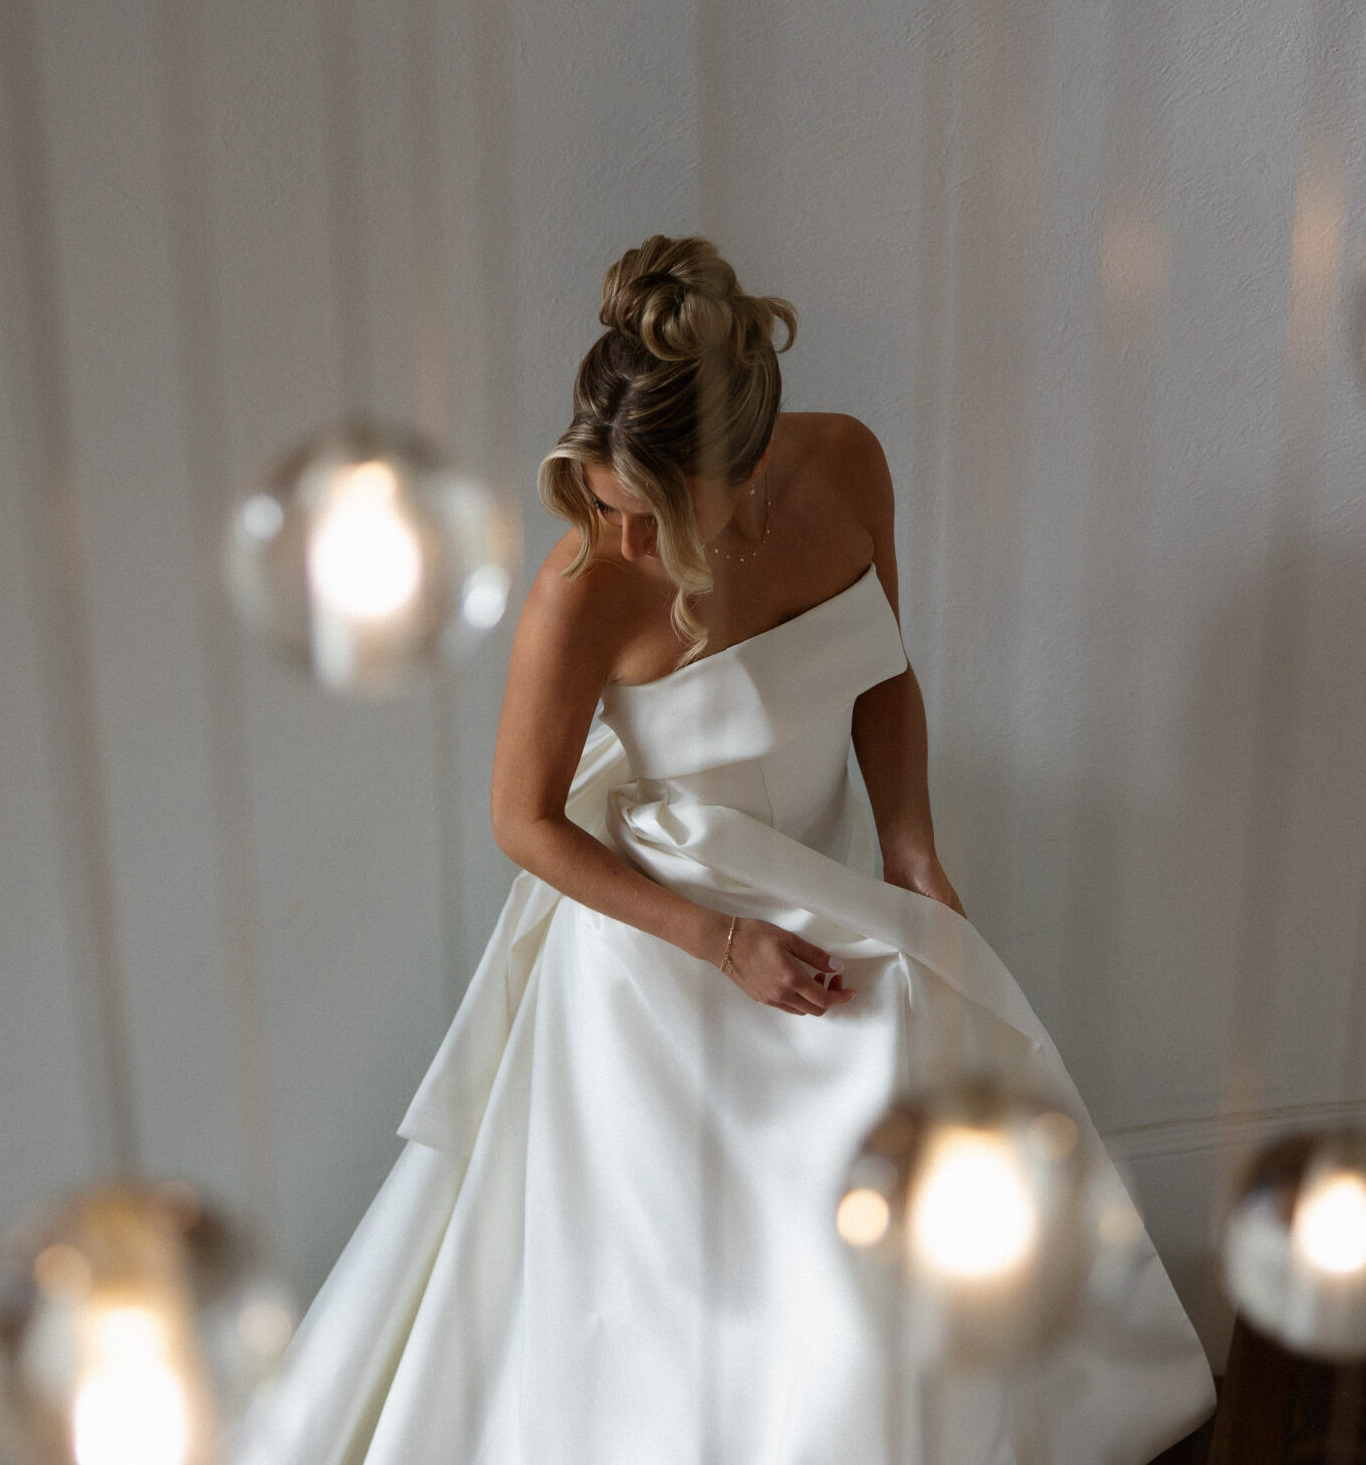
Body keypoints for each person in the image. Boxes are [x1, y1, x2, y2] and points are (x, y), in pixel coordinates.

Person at [238, 235, 1216, 1465]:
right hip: (665, 935)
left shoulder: (850, 462)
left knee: (916, 1124)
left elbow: (883, 672)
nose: (621, 536)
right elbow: (521, 819)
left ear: (742, 467)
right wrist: (721, 939)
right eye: (601, 498)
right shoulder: (583, 585)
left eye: (648, 510)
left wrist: (912, 857)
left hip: (820, 897)